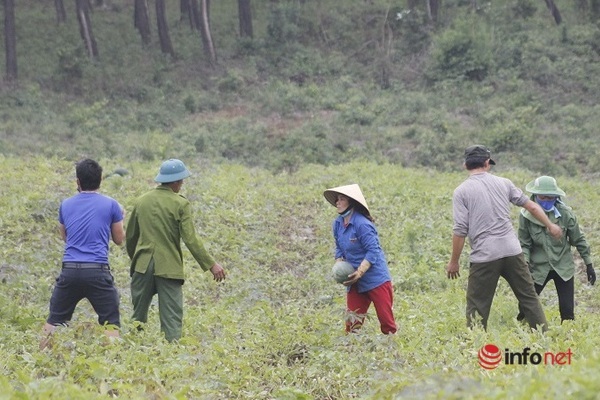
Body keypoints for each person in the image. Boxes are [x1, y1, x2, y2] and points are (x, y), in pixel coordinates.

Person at [445, 145, 563, 332]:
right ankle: (543, 336)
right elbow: (531, 207)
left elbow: (460, 230)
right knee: (528, 297)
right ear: (486, 163)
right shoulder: (504, 183)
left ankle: (475, 344)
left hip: (485, 256)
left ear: (465, 165)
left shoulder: (461, 191)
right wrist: (550, 225)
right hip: (512, 251)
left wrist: (454, 262)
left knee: (477, 304)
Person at [126, 158, 226, 342]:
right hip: (168, 267)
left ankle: (130, 349)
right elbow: (190, 239)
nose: (182, 184)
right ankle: (171, 355)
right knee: (172, 318)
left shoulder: (142, 201)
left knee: (137, 316)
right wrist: (211, 264)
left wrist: (137, 259)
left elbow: (131, 237)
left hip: (142, 266)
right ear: (175, 182)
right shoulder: (180, 204)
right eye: (181, 181)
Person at [40, 159, 125, 349]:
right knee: (110, 321)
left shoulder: (65, 204)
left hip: (70, 270)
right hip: (97, 270)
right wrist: (121, 218)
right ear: (101, 179)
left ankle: (40, 358)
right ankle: (114, 360)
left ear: (77, 181)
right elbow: (119, 239)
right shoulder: (112, 205)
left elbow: (65, 237)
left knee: (54, 319)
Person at [517, 175, 595, 322]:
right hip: (538, 267)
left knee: (567, 312)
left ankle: (568, 339)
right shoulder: (526, 216)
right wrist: (525, 263)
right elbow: (524, 243)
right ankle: (525, 335)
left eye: (550, 197)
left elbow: (579, 239)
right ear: (535, 196)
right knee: (525, 307)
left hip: (562, 266)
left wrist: (588, 264)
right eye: (543, 197)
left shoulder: (565, 214)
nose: (546, 201)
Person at [323, 184, 397, 334]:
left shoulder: (362, 224)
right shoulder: (337, 224)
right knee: (352, 324)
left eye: (341, 199)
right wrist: (339, 264)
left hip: (375, 278)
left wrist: (360, 271)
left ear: (351, 202)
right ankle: (351, 351)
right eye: (337, 199)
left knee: (386, 320)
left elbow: (373, 251)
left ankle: (392, 350)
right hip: (354, 280)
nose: (337, 202)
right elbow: (339, 247)